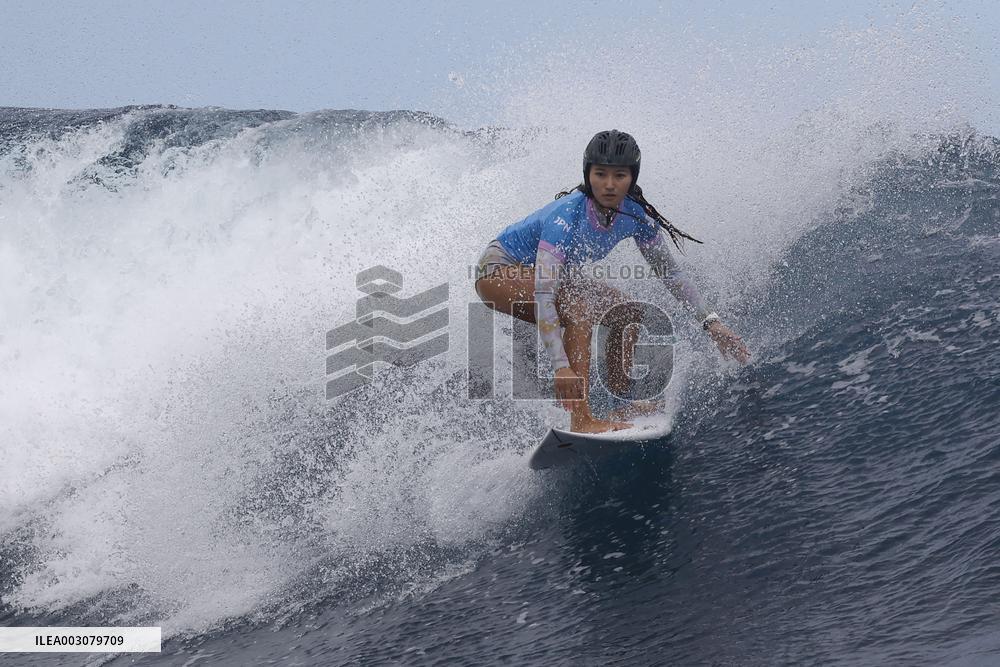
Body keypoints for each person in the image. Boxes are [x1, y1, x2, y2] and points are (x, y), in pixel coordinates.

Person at [474, 130, 750, 434]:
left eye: (619, 175)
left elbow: (670, 273)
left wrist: (711, 323)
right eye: (600, 174)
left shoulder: (637, 216)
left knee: (627, 312)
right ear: (587, 174)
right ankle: (581, 419)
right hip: (499, 270)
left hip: (550, 274)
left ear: (632, 178)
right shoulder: (565, 216)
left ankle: (624, 401)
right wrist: (560, 365)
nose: (608, 184)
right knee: (577, 310)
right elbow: (544, 295)